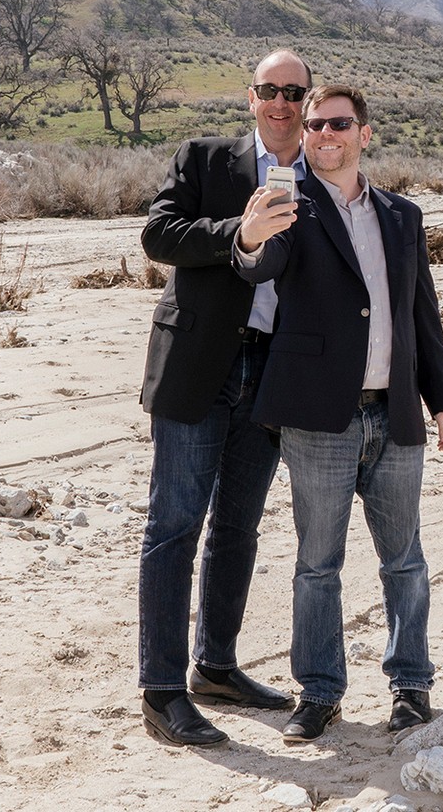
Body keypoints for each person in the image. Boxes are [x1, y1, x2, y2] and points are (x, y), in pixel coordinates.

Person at [233, 84, 443, 743]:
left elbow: (423, 313)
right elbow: (258, 264)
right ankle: (320, 693)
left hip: (394, 417)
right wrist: (250, 236)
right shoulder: (290, 207)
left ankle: (412, 690)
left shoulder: (402, 215)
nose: (324, 134)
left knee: (405, 562)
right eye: (313, 125)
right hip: (317, 418)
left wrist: (441, 399)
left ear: (365, 133)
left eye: (338, 124)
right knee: (317, 564)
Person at [135, 49, 314, 746]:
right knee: (174, 528)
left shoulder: (323, 178)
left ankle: (215, 666)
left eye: (293, 91)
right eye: (270, 90)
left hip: (272, 375)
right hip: (197, 367)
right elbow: (158, 235)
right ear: (250, 97)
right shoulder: (204, 160)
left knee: (239, 527)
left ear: (307, 99)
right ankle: (161, 692)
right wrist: (237, 233)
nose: (281, 102)